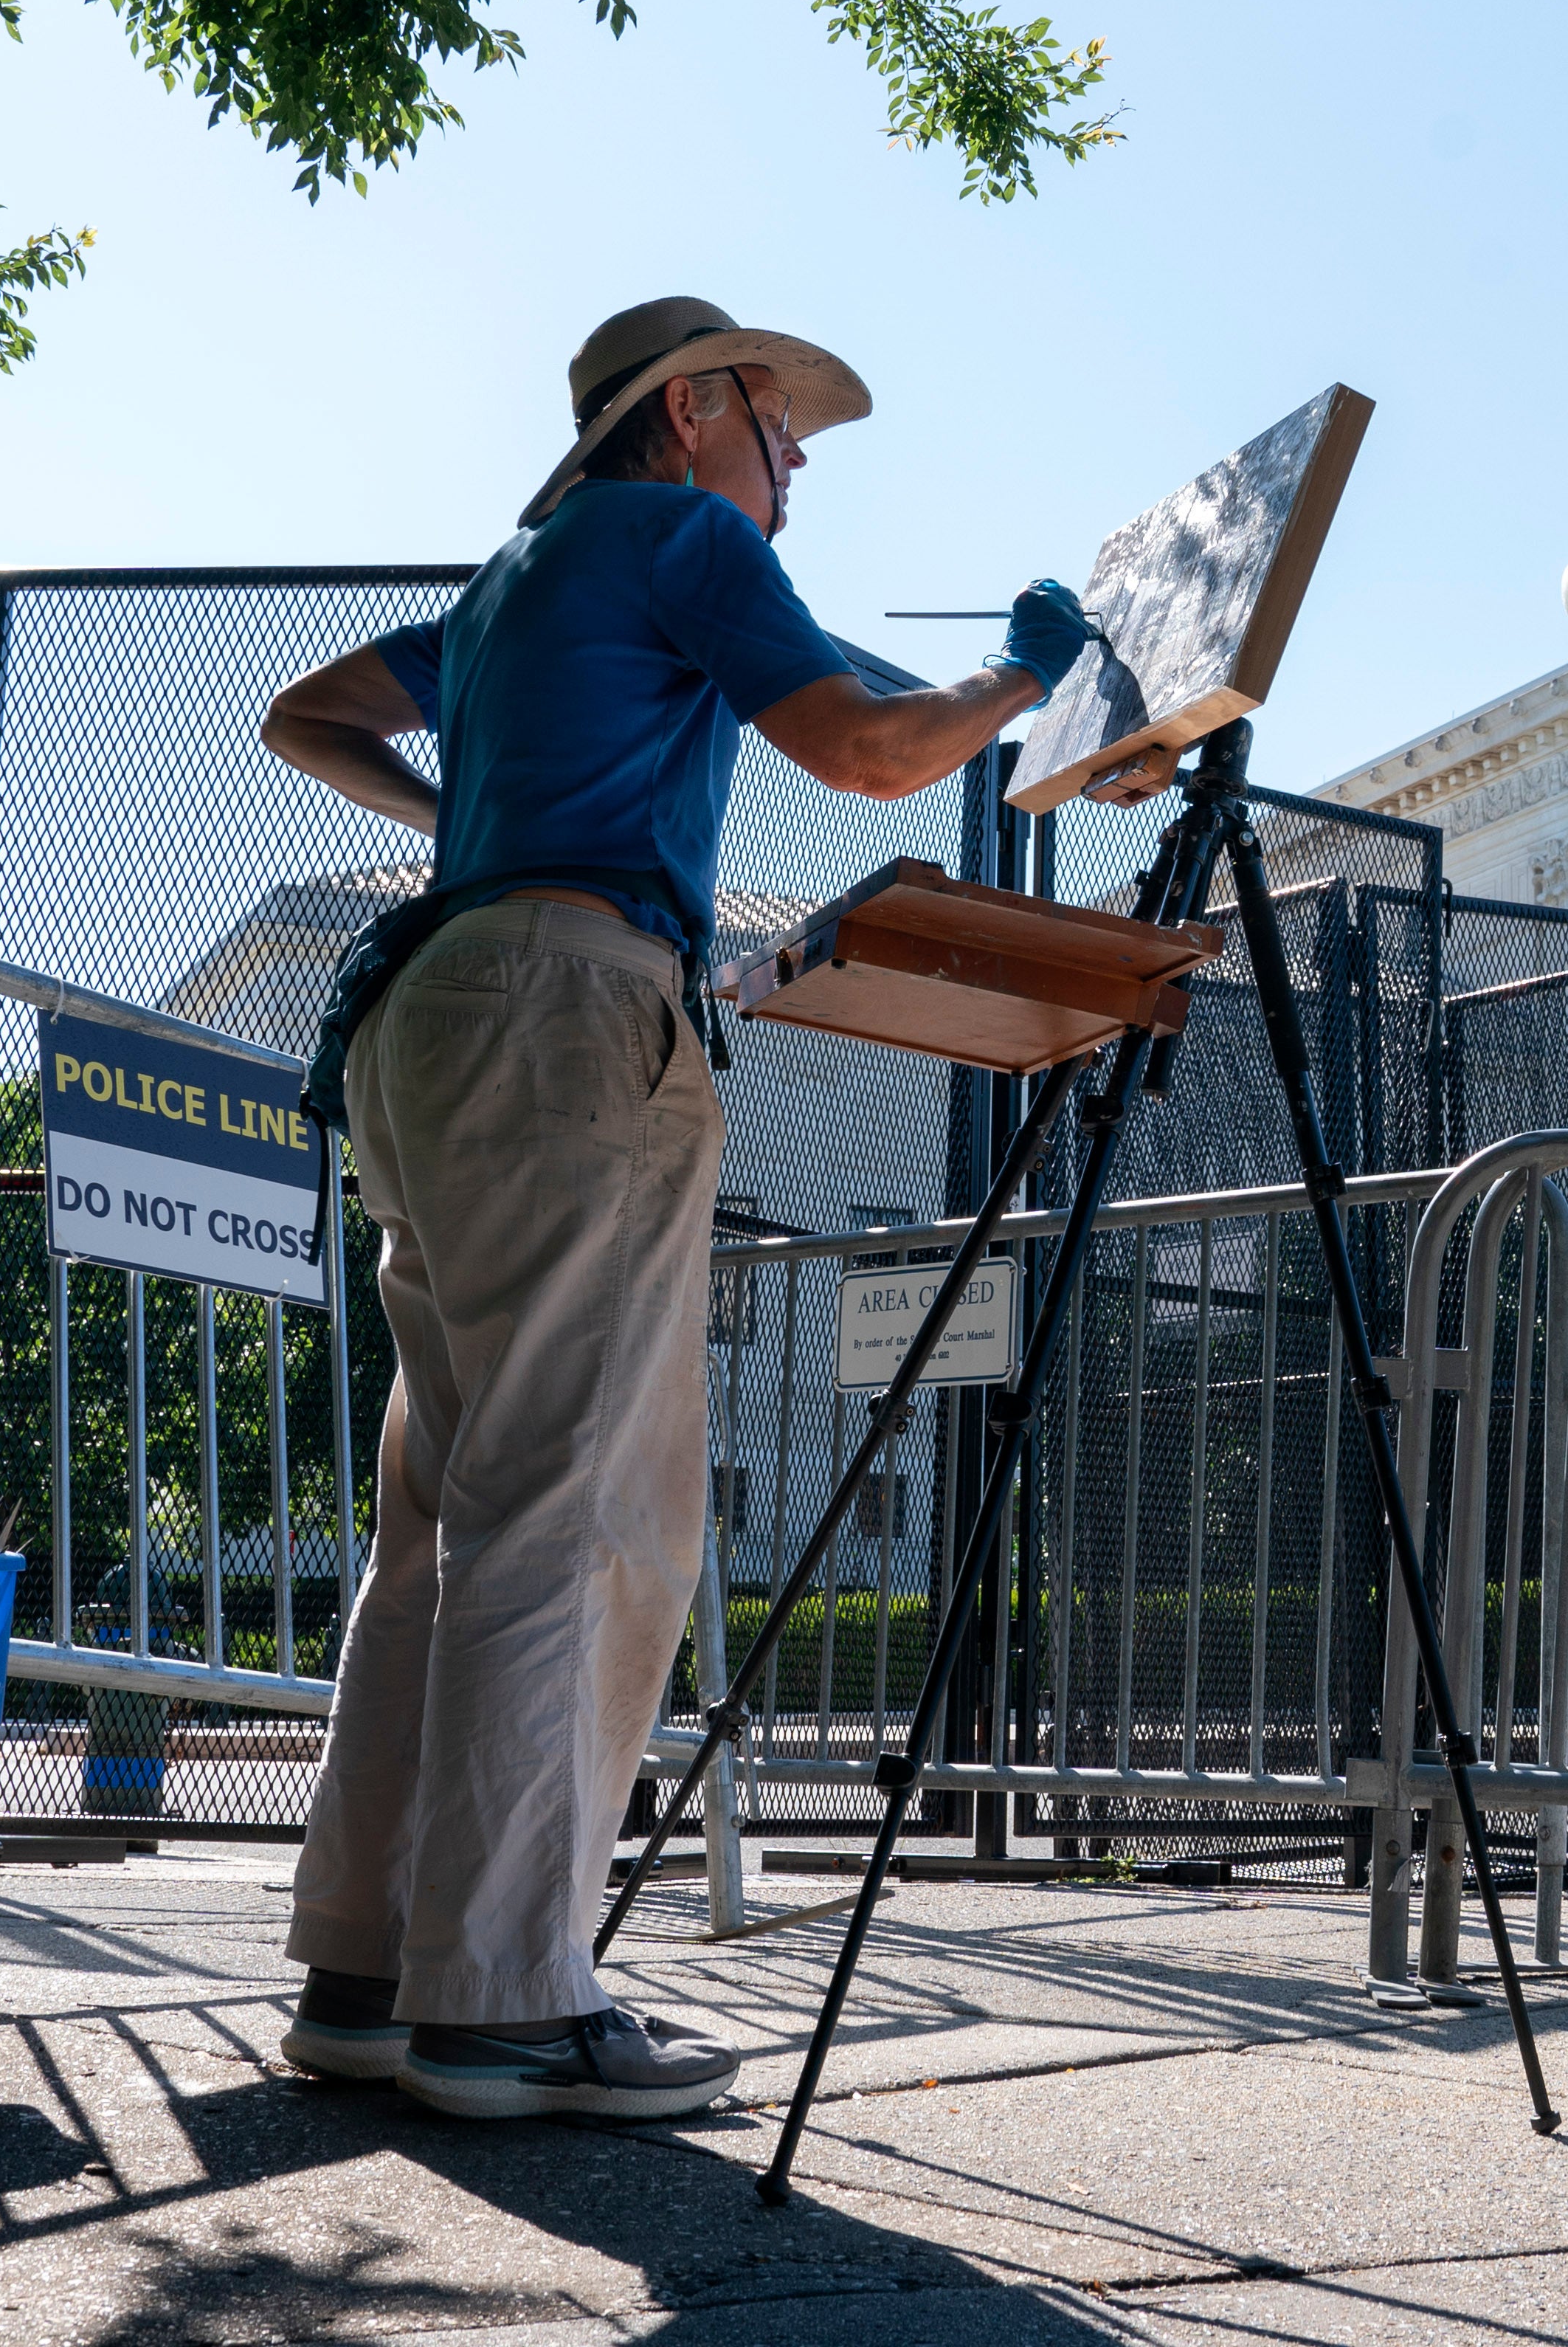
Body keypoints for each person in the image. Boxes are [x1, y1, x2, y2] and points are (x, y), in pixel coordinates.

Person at [252, 295, 1091, 2120]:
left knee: (451, 1503)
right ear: (691, 407)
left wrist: (475, 821)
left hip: (435, 1009)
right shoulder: (683, 534)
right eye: (783, 426)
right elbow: (869, 752)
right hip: (570, 1005)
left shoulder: (515, 578)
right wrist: (1030, 683)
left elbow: (301, 714)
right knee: (582, 1506)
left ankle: (370, 1972)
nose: (797, 466)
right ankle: (506, 2002)